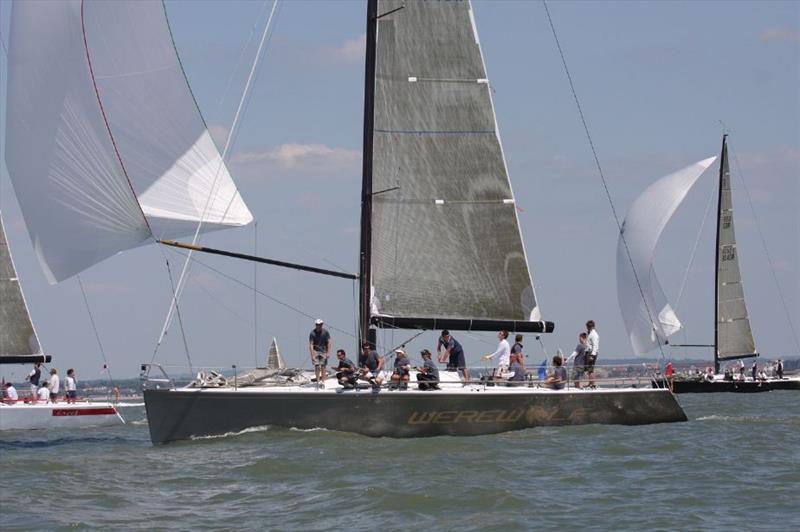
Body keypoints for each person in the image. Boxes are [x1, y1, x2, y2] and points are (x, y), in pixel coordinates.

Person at [308, 319, 332, 387]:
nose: (319, 326)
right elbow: (311, 344)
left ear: (322, 325)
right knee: (317, 366)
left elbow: (329, 342)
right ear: (315, 325)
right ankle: (318, 380)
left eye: (320, 324)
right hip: (316, 351)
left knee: (323, 366)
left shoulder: (325, 332)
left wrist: (328, 352)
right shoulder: (312, 333)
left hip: (323, 350)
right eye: (317, 325)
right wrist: (312, 355)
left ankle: (323, 381)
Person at [586, 320, 599, 388]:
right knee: (589, 369)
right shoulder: (590, 333)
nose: (587, 328)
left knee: (590, 369)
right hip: (590, 352)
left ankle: (592, 384)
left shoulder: (594, 334)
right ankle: (590, 383)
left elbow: (595, 345)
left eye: (588, 326)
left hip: (592, 353)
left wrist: (592, 355)